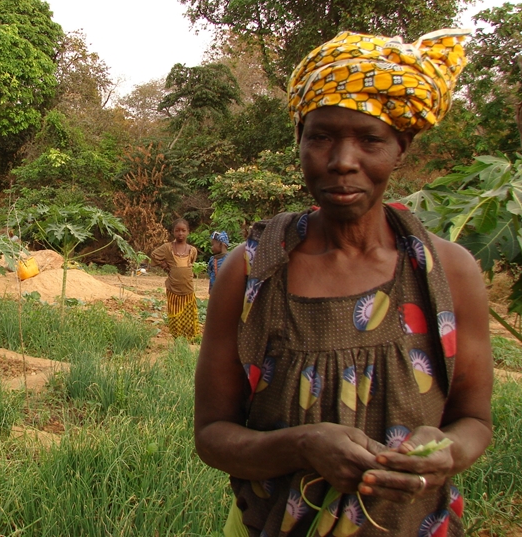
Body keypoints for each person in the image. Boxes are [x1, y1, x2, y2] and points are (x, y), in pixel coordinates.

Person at [196, 30, 493, 537]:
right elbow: (212, 435)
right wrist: (302, 444)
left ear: (401, 147)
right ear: (300, 142)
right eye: (322, 137)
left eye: (370, 139)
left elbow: (474, 422)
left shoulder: (449, 273)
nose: (342, 161)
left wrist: (447, 452)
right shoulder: (251, 273)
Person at [151, 218, 199, 340]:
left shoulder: (192, 250)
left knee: (188, 315)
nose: (180, 233)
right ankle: (177, 338)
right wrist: (165, 267)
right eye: (177, 231)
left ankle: (189, 339)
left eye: (183, 230)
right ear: (173, 232)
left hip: (188, 289)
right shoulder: (167, 248)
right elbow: (154, 255)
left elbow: (191, 263)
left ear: (188, 232)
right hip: (173, 289)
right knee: (175, 314)